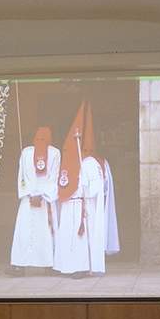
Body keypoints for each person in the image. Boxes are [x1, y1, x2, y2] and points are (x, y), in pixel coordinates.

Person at [53, 104, 106, 276]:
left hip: (83, 205)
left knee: (80, 238)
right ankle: (66, 266)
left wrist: (84, 187)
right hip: (68, 205)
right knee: (67, 236)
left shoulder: (90, 163)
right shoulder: (68, 163)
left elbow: (97, 189)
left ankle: (82, 267)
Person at [9, 126, 59, 271]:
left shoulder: (52, 153)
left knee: (38, 232)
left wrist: (32, 194)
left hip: (35, 199)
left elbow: (22, 178)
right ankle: (22, 264)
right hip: (39, 198)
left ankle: (45, 264)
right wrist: (40, 194)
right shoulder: (28, 152)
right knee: (26, 232)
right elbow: (52, 178)